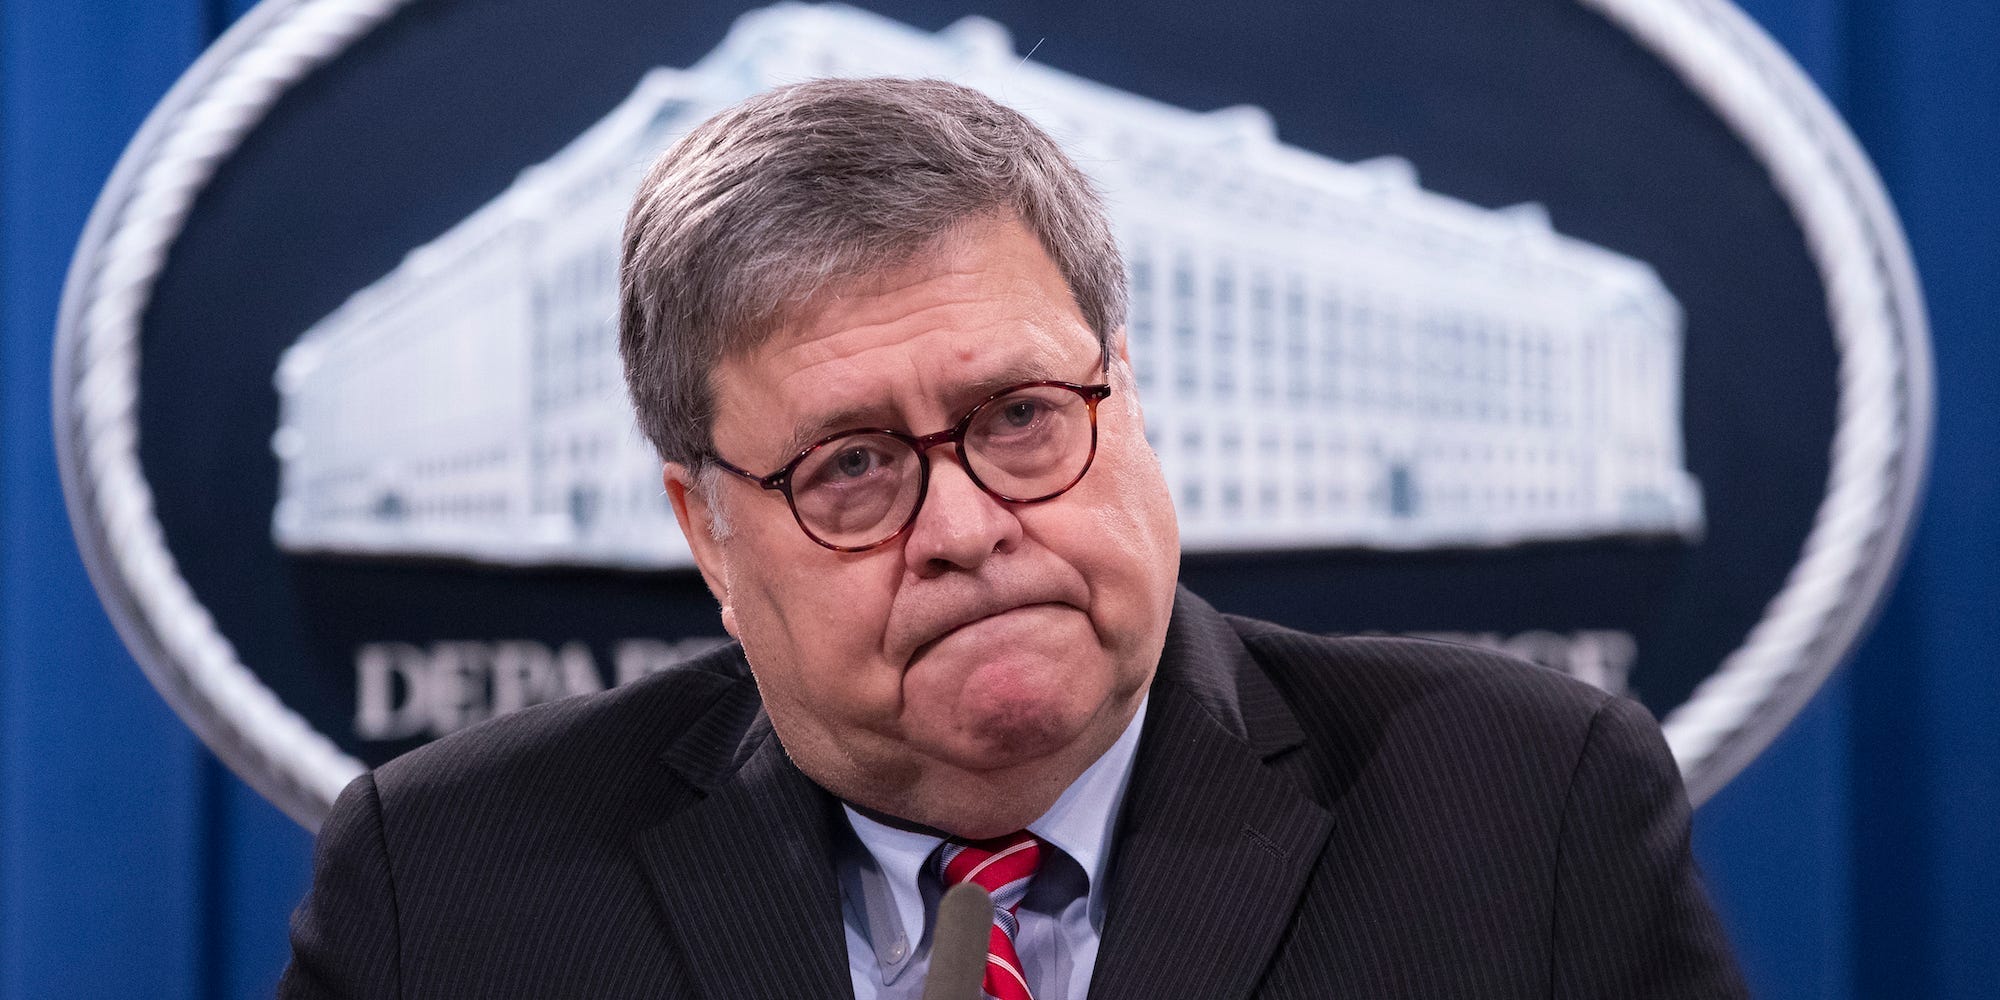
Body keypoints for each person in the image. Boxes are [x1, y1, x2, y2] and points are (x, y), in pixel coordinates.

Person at [280, 77, 1745, 999]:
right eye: (852, 466)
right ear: (710, 533)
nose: (971, 527)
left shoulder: (1523, 809)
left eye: (1022, 416)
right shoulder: (450, 886)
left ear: (1128, 395)